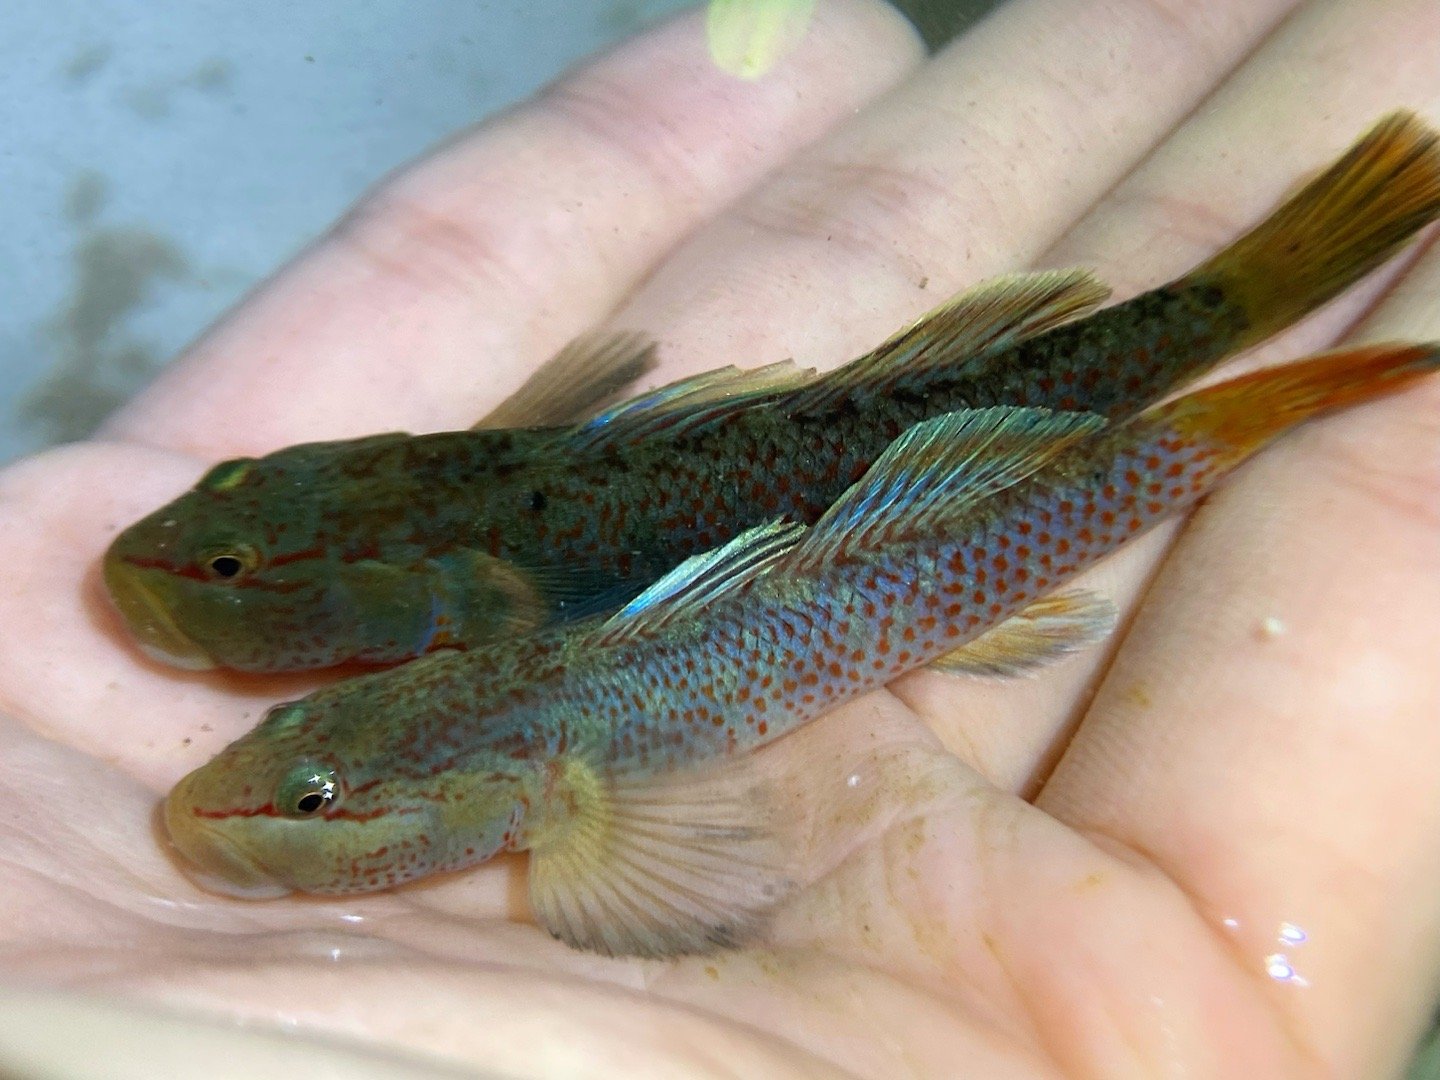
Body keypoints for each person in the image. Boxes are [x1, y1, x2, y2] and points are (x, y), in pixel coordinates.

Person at [1, 0, 1438, 1075]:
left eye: (245, 564)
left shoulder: (521, 695)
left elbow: (649, 828)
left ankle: (1257, 340)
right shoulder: (504, 683)